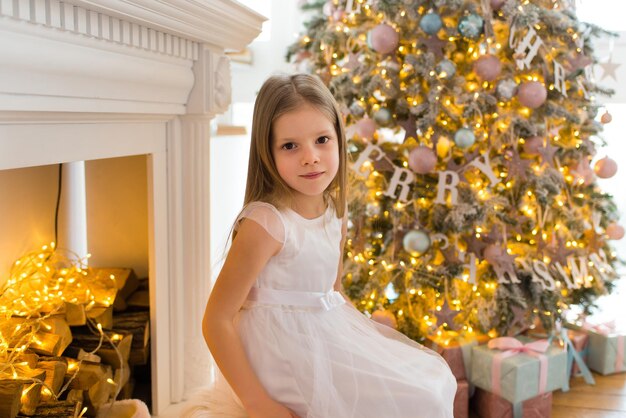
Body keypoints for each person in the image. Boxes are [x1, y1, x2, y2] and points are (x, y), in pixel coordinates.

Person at [182, 73, 457, 418]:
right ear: (267, 152)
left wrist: (365, 347)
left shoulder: (334, 213)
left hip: (320, 342)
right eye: (290, 146)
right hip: (278, 358)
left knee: (432, 381)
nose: (310, 157)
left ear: (339, 139)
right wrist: (258, 404)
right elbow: (216, 319)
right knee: (416, 400)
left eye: (322, 139)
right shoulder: (267, 224)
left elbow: (332, 295)